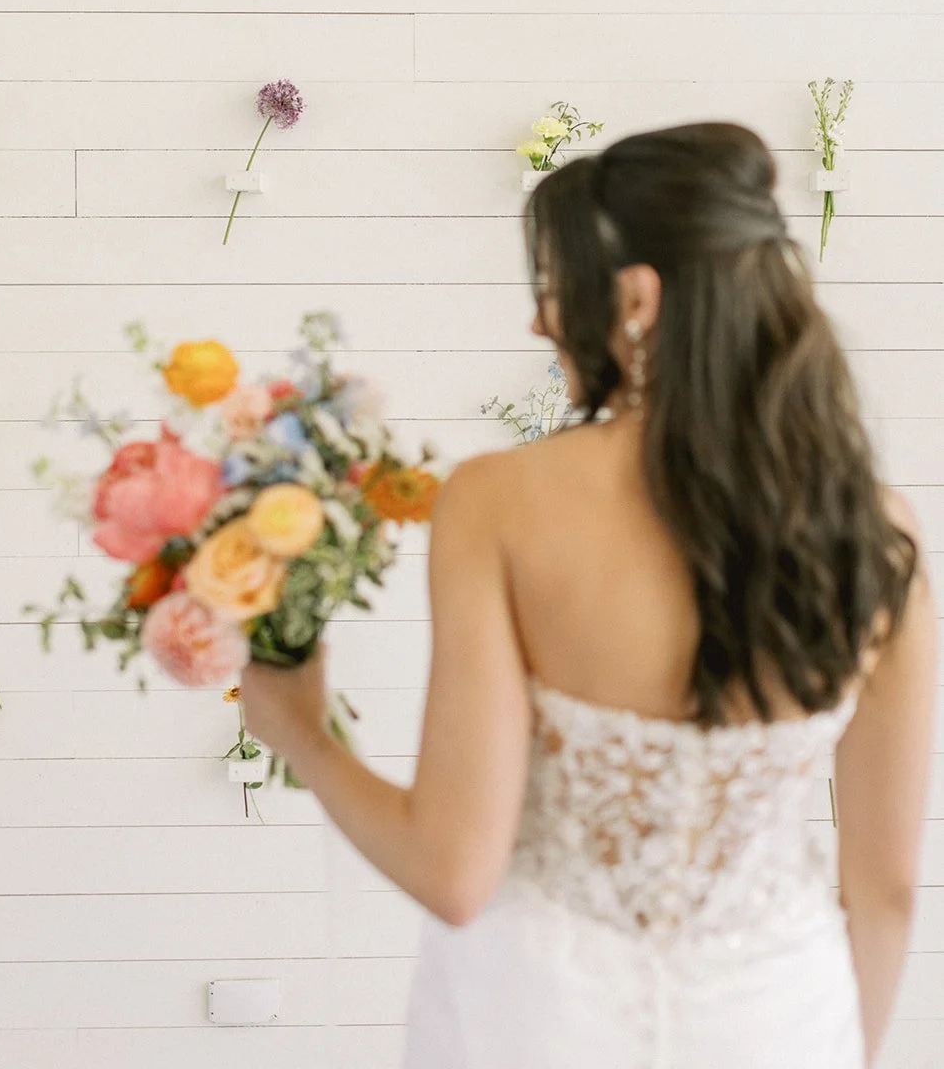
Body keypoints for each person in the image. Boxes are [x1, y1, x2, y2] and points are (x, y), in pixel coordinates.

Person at [241, 122, 935, 1067]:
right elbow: (886, 885)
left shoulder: (499, 501)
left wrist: (302, 735)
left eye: (552, 284)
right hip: (779, 1015)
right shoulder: (877, 528)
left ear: (636, 298)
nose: (538, 320)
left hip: (535, 1019)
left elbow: (453, 872)